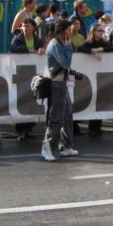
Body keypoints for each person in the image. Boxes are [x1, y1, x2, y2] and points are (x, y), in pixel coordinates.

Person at [41, 19, 78, 161]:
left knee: (68, 115)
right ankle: (47, 147)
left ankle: (66, 146)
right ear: (62, 31)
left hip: (63, 84)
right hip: (56, 84)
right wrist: (69, 48)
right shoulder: (55, 44)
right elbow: (65, 63)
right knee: (56, 118)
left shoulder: (61, 43)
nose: (71, 31)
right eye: (69, 29)